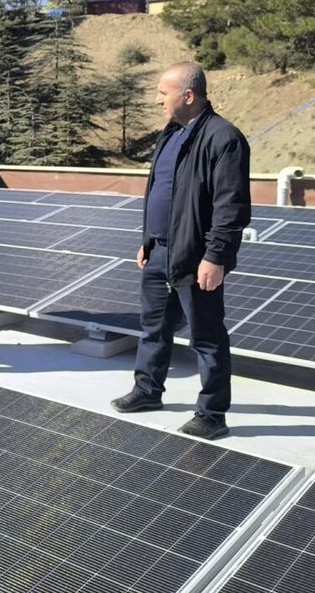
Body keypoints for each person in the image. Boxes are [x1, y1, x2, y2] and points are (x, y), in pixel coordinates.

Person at [110, 62, 250, 440]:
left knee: (206, 337)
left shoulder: (224, 138)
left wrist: (216, 256)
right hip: (159, 252)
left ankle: (212, 413)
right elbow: (160, 191)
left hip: (195, 255)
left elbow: (231, 206)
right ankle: (147, 390)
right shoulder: (171, 134)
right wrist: (147, 239)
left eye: (163, 93)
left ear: (188, 96)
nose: (157, 100)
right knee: (153, 327)